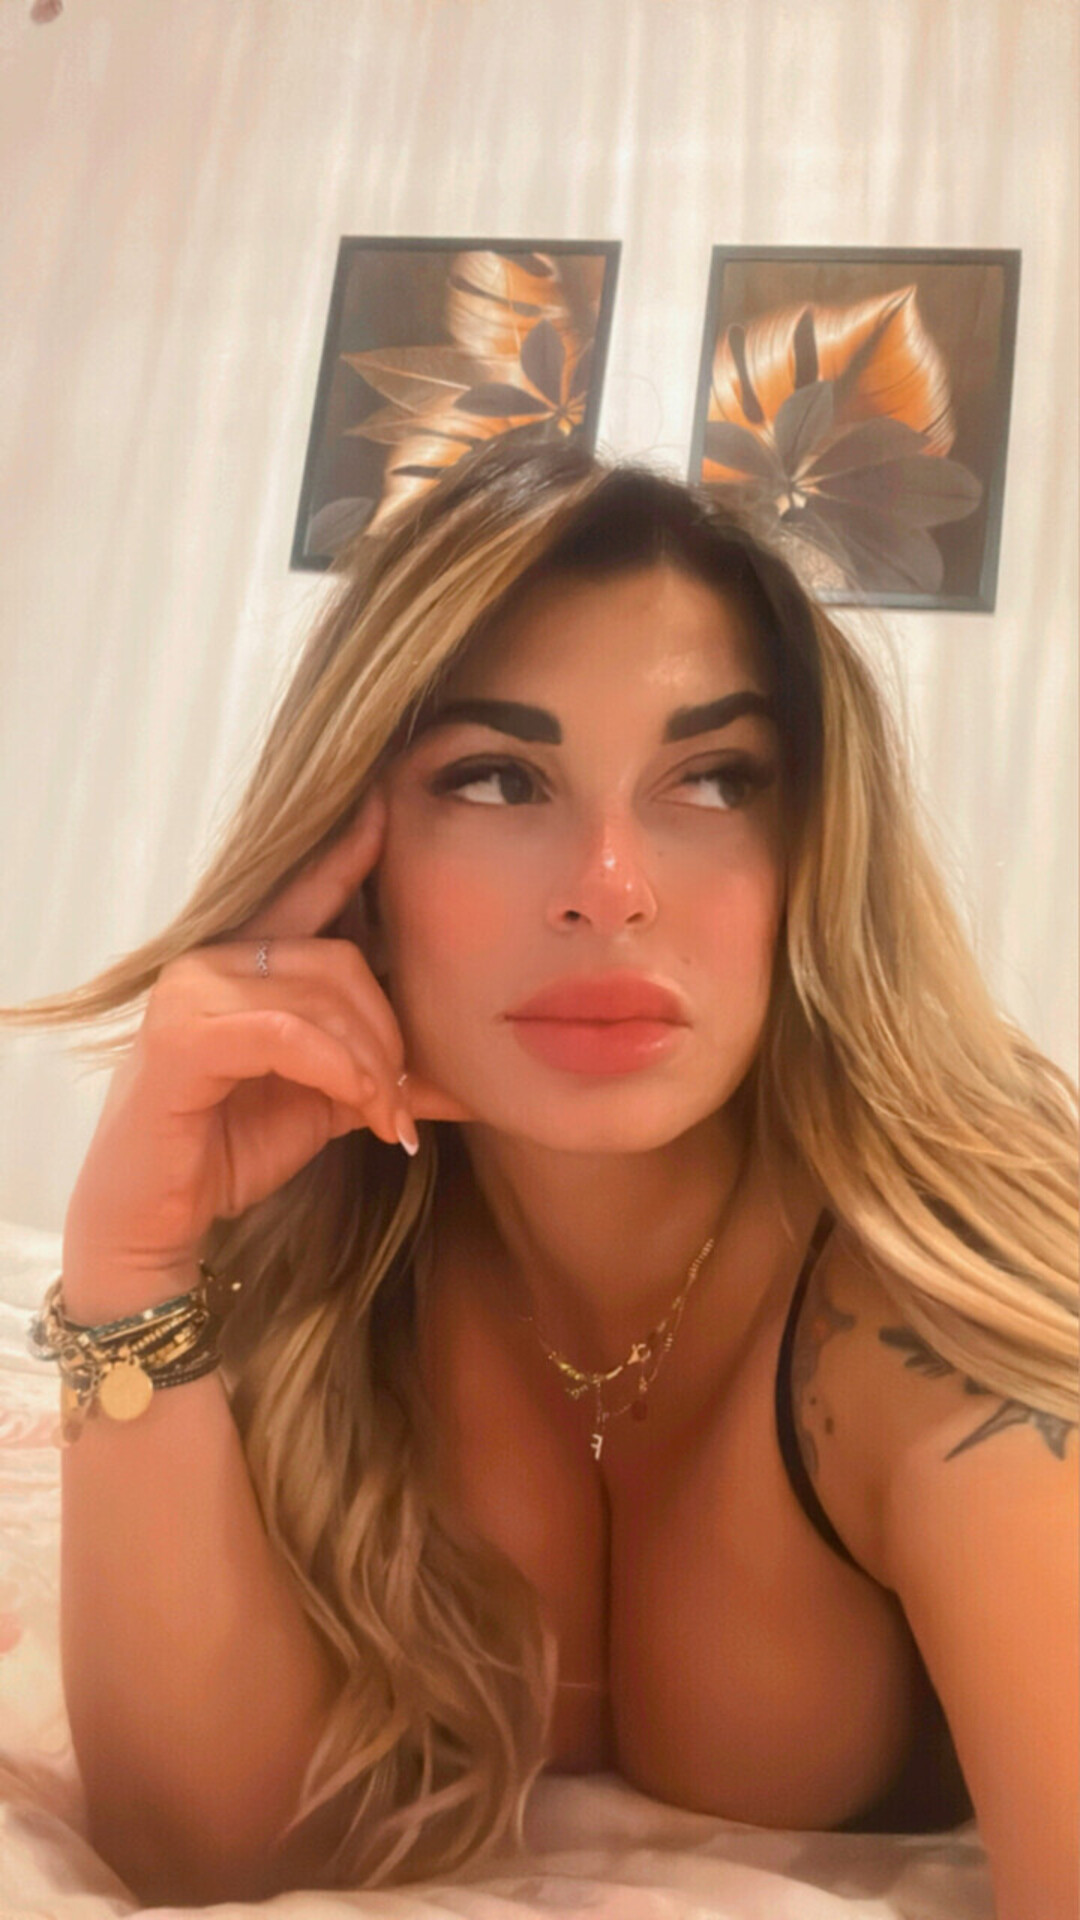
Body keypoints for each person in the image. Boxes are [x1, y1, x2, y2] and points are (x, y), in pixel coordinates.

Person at [3, 437, 1076, 1915]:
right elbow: (205, 1854)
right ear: (356, 863)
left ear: (812, 849)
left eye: (714, 779)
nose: (610, 888)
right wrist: (130, 1268)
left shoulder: (933, 1293)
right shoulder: (348, 1250)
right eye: (499, 779)